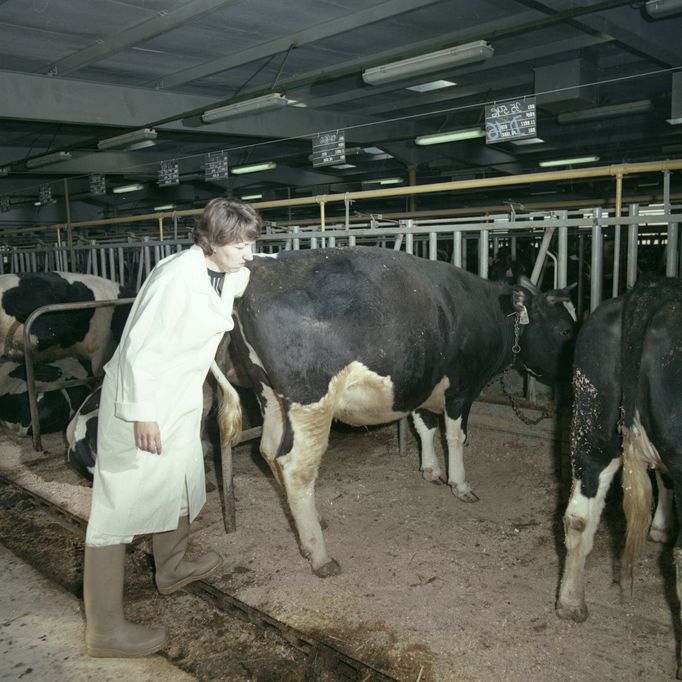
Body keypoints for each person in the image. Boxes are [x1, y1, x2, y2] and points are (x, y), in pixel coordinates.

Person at [83, 198, 262, 658]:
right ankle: (104, 630)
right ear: (212, 241)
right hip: (141, 404)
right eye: (240, 244)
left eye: (251, 242)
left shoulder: (218, 269)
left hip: (179, 400)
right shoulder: (174, 280)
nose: (249, 252)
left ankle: (173, 566)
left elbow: (235, 282)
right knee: (117, 511)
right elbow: (141, 347)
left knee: (181, 480)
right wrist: (143, 413)